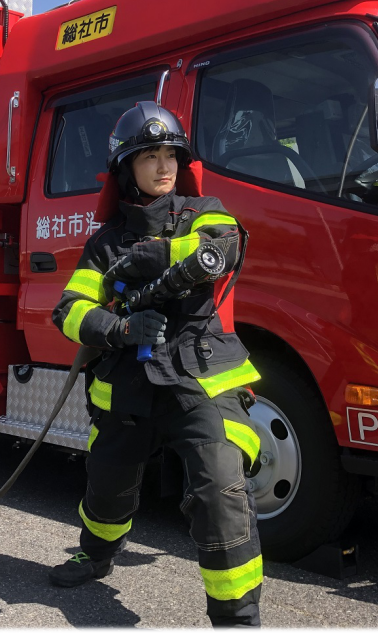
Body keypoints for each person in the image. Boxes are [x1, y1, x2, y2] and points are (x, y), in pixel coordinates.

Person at [49, 102, 264, 633]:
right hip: (129, 380)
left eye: (171, 154)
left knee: (220, 491)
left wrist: (162, 256)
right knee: (109, 486)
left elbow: (225, 246)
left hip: (200, 376)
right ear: (127, 168)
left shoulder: (203, 210)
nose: (164, 166)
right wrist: (121, 328)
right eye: (149, 156)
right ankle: (96, 554)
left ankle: (238, 623)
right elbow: (69, 311)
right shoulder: (105, 243)